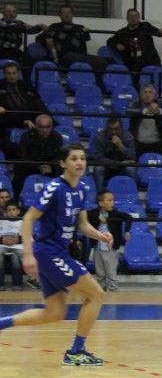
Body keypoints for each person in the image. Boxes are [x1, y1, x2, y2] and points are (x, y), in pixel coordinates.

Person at [0, 144, 111, 365]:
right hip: (48, 252)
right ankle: (76, 351)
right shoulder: (54, 188)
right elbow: (28, 218)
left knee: (55, 312)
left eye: (82, 158)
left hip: (58, 252)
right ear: (63, 163)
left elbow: (83, 224)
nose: (79, 162)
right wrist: (28, 254)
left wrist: (100, 235)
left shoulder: (82, 188)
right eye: (74, 159)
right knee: (96, 294)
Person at [85, 190, 132, 292]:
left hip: (110, 249)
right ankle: (101, 294)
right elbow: (85, 217)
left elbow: (128, 217)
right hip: (97, 248)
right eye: (109, 200)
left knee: (111, 274)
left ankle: (113, 293)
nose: (112, 203)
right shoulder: (93, 213)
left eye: (113, 200)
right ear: (101, 203)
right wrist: (98, 220)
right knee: (100, 274)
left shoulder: (115, 214)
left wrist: (127, 231)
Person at [40, 5, 107, 74]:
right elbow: (41, 38)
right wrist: (48, 40)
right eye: (64, 12)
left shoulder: (80, 27)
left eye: (69, 12)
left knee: (102, 61)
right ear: (60, 15)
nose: (67, 15)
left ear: (72, 15)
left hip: (80, 55)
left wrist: (85, 32)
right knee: (96, 61)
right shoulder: (54, 27)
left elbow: (87, 38)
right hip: (64, 56)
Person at [126, 84, 162, 167]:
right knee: (129, 150)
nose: (147, 95)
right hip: (138, 143)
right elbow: (128, 111)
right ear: (140, 95)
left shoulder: (160, 103)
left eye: (150, 92)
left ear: (155, 95)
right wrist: (144, 111)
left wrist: (159, 111)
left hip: (156, 143)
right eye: (145, 92)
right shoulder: (135, 103)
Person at [16, 113, 62, 193]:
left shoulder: (57, 137)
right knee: (19, 171)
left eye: (47, 127)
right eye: (41, 127)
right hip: (30, 168)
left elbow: (59, 156)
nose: (44, 130)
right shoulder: (26, 136)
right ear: (36, 126)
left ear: (52, 127)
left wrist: (51, 166)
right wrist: (38, 166)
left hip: (51, 169)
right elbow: (22, 156)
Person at [88, 116, 136, 190]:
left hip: (122, 169)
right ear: (107, 128)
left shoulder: (128, 137)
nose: (113, 132)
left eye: (116, 129)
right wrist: (118, 163)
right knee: (99, 168)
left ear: (121, 128)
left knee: (130, 169)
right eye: (110, 129)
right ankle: (99, 194)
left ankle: (133, 193)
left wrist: (120, 146)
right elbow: (99, 158)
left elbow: (132, 156)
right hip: (107, 167)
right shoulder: (100, 137)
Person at [0, 202, 24, 290]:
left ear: (18, 211)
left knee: (15, 258)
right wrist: (2, 240)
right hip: (2, 247)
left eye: (13, 210)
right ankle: (0, 285)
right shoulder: (1, 221)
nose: (11, 212)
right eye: (9, 210)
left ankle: (18, 285)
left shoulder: (23, 222)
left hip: (18, 248)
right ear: (5, 212)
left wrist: (18, 240)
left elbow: (29, 238)